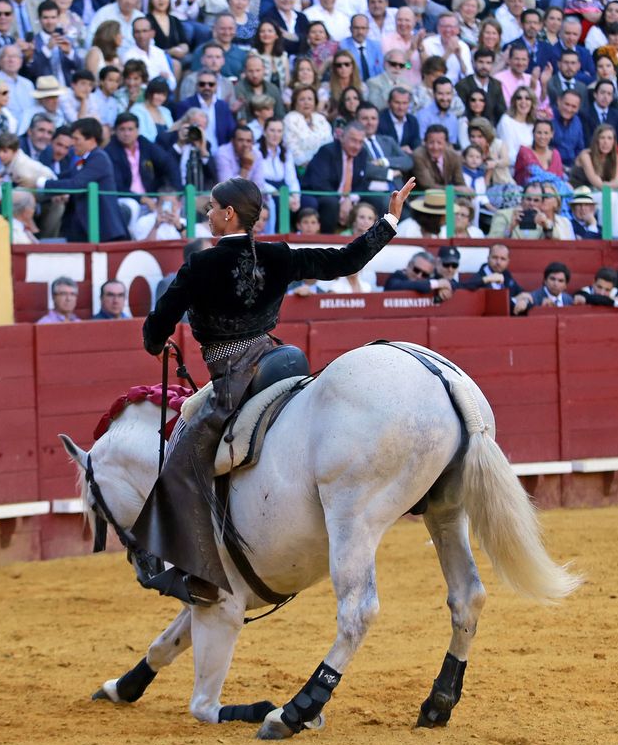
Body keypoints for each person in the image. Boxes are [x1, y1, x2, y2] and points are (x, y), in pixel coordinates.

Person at [132, 175, 416, 605]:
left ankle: (202, 575)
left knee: (182, 462)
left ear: (228, 214)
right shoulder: (279, 256)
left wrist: (155, 344)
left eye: (211, 207)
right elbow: (347, 261)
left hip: (234, 377)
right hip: (279, 360)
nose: (207, 213)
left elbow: (159, 322)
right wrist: (389, 221)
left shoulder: (201, 265)